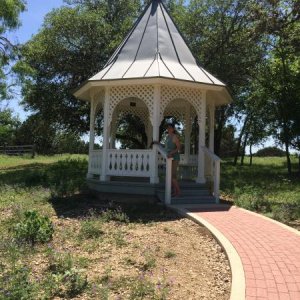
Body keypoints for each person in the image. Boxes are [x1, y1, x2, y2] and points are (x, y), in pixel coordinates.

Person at [153, 123, 181, 197]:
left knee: (173, 176)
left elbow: (178, 147)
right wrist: (158, 143)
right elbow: (166, 147)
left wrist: (171, 152)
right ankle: (175, 192)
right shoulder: (167, 137)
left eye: (170, 128)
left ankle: (178, 192)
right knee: (171, 176)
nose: (168, 129)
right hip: (169, 158)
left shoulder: (174, 137)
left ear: (173, 129)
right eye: (168, 128)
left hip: (175, 158)